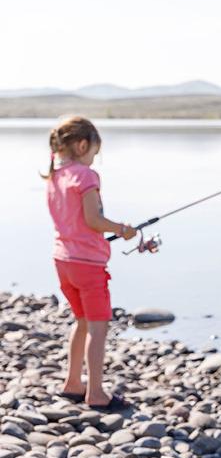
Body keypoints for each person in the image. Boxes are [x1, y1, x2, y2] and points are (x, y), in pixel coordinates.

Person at [44, 116, 136, 410]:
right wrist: (122, 229)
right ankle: (95, 393)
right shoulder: (86, 176)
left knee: (81, 321)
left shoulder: (56, 175)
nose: (94, 160)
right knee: (98, 327)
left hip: (63, 260)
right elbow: (93, 220)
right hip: (87, 265)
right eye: (94, 153)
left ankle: (73, 383)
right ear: (83, 145)